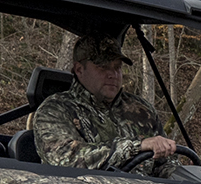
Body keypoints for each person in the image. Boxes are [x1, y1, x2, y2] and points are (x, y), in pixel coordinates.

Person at [32, 32, 179, 176]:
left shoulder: (141, 111)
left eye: (117, 67)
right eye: (103, 66)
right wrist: (136, 146)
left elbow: (165, 164)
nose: (113, 74)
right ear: (79, 69)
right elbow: (68, 159)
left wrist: (182, 177)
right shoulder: (54, 110)